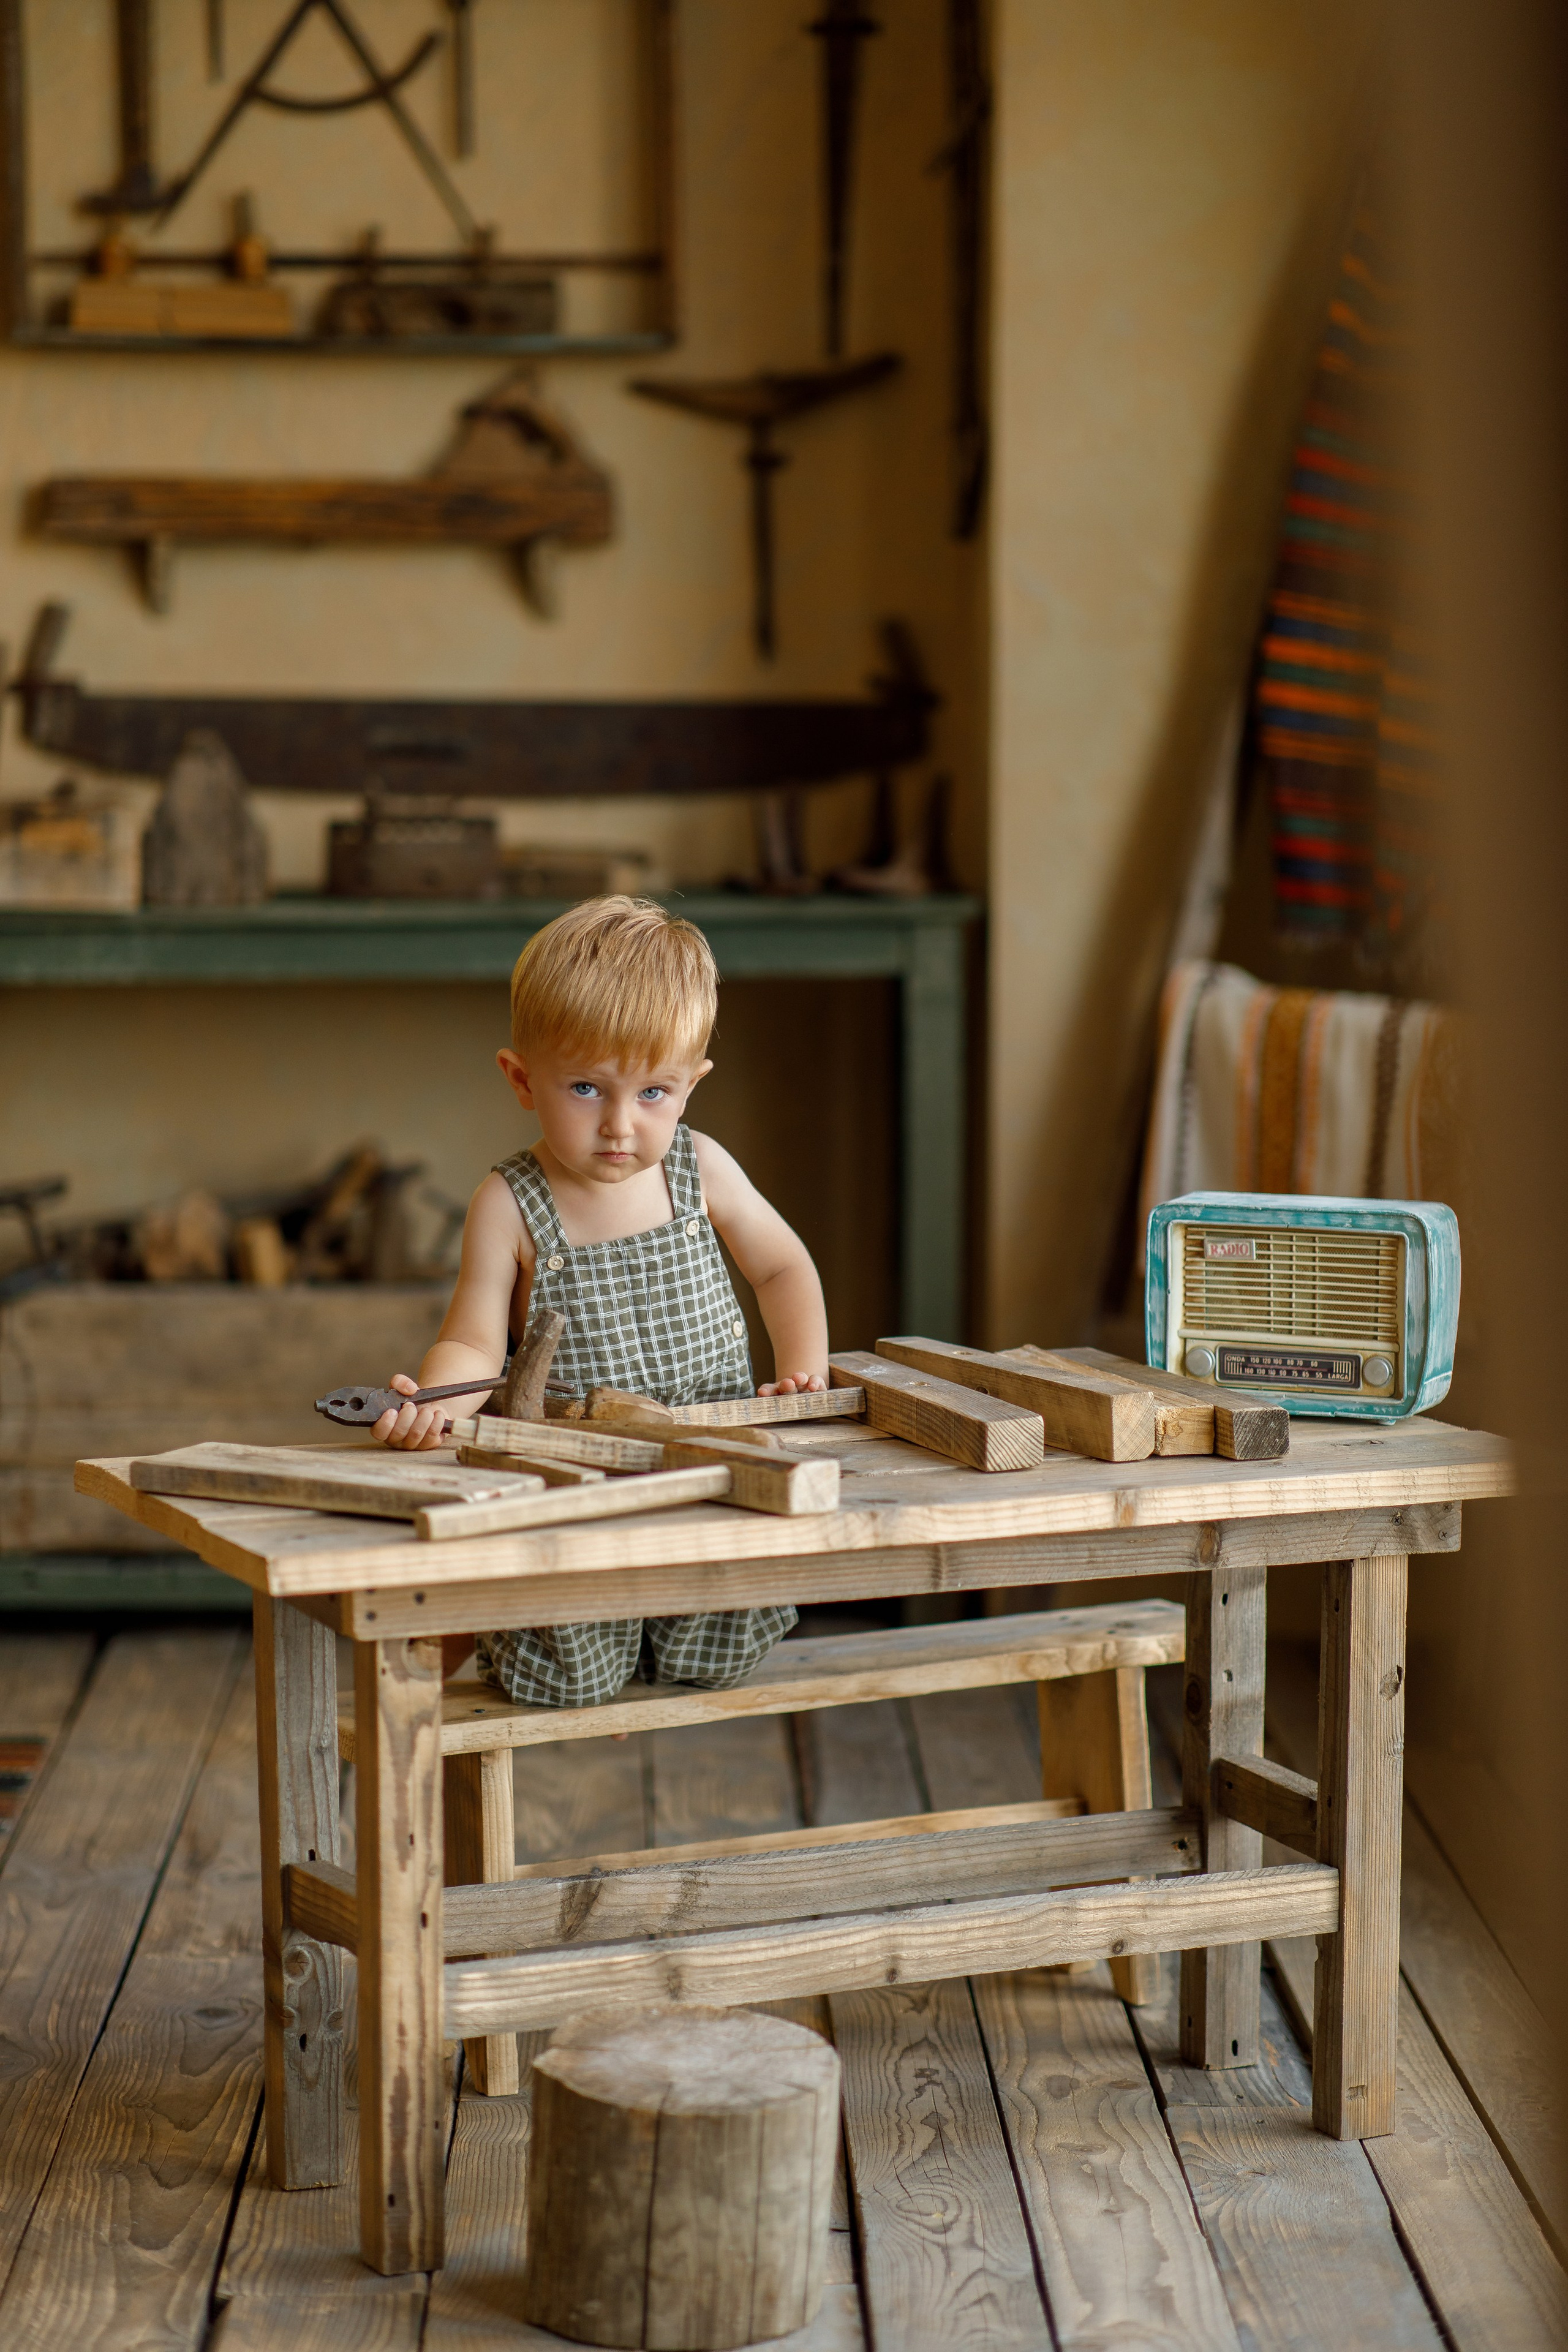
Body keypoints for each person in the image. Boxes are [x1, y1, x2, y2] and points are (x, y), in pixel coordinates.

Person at [374, 894, 829, 1707]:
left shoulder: (702, 1171)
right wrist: (438, 1403)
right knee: (569, 1673)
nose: (621, 1125)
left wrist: (803, 1378)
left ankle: (673, 1652)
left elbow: (784, 1269)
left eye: (654, 1092)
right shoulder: (509, 1203)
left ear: (693, 1084)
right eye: (586, 1088)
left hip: (704, 1458)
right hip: (575, 1482)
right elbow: (476, 1342)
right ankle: (498, 1637)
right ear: (522, 1079)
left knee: (708, 1656)